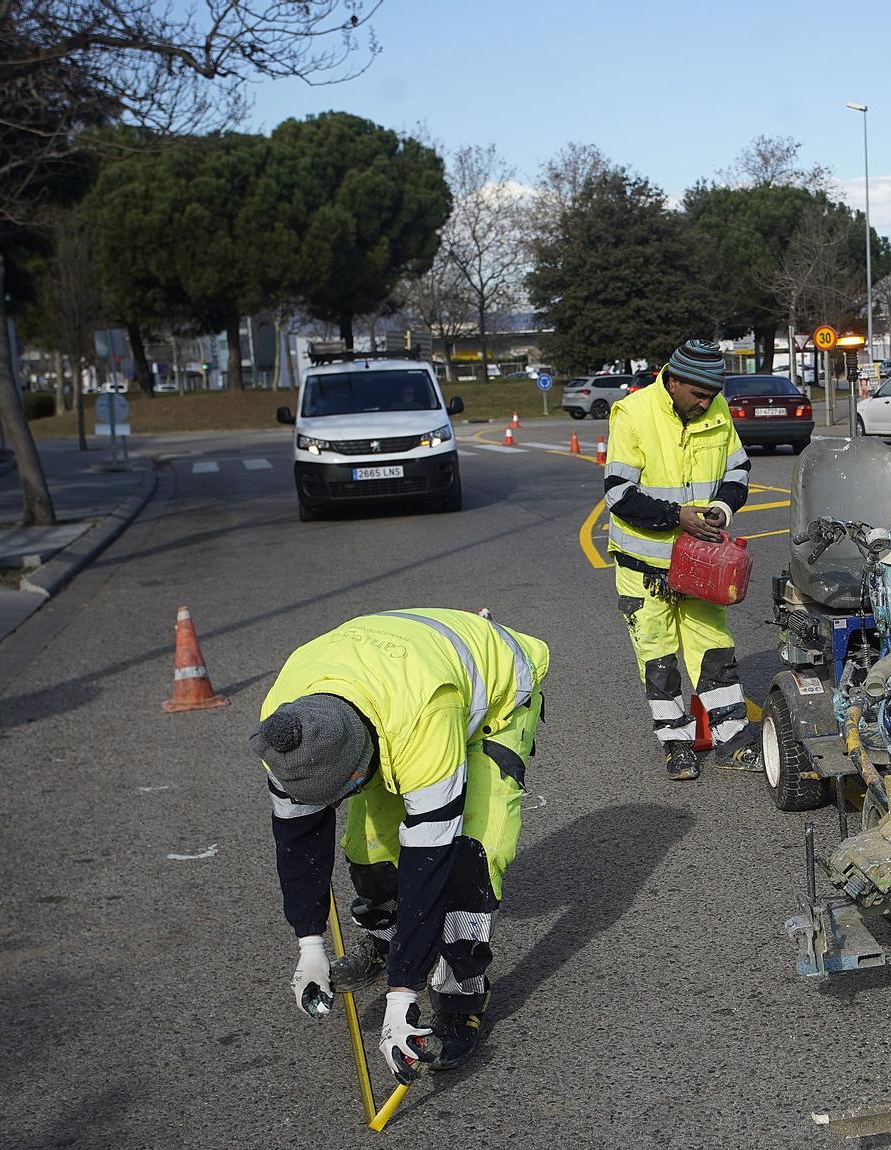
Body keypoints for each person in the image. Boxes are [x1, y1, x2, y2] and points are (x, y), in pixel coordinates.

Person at [251, 608, 548, 1083]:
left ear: (359, 763)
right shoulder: (286, 729)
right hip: (382, 689)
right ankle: (390, 941)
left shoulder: (425, 723)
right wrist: (309, 942)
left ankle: (459, 997)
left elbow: (429, 865)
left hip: (490, 703)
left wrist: (402, 997)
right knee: (369, 846)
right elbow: (297, 841)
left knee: (467, 865)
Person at [602, 338, 759, 781]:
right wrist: (678, 517)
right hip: (644, 566)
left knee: (714, 650)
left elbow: (738, 471)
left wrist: (722, 509)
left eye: (712, 395)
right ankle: (676, 743)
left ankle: (732, 740)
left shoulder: (717, 409)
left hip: (700, 564)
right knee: (659, 659)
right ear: (672, 381)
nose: (706, 403)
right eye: (699, 395)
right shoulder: (633, 414)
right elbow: (618, 494)